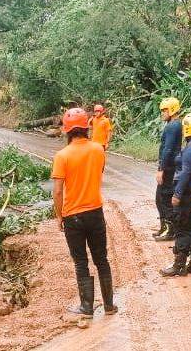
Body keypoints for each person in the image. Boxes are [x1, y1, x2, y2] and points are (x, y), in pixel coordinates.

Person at [52, 107, 118, 320]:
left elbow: (58, 191)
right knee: (102, 259)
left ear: (67, 130)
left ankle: (87, 307)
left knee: (81, 262)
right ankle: (109, 304)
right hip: (95, 212)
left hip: (73, 216)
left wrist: (59, 216)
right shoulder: (98, 149)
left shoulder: (62, 156)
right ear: (86, 127)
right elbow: (98, 173)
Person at [160, 113, 191, 277]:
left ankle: (179, 265)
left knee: (183, 228)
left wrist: (177, 194)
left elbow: (185, 173)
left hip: (188, 192)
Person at [153, 97, 183, 241]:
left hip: (169, 167)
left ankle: (171, 230)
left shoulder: (173, 126)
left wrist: (161, 169)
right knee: (160, 198)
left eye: (164, 110)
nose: (162, 113)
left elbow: (168, 149)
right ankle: (165, 227)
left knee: (164, 198)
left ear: (171, 110)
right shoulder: (174, 124)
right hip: (171, 166)